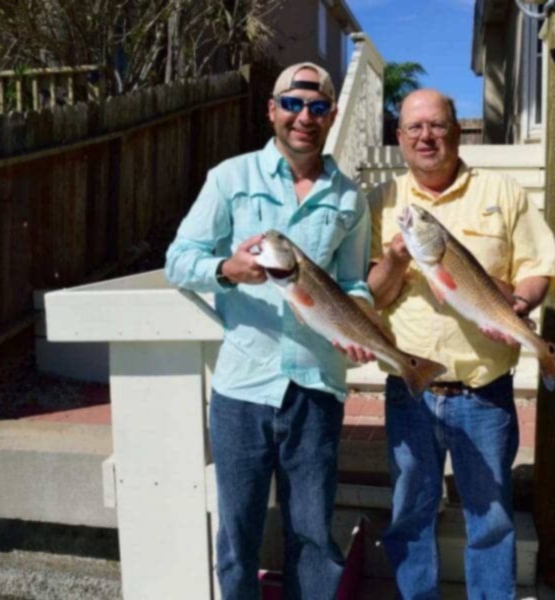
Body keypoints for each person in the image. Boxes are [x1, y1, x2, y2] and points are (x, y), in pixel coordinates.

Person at [165, 62, 373, 600]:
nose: (305, 117)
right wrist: (226, 271)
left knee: (312, 535)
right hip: (241, 389)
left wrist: (359, 323)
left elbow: (353, 281)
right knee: (238, 538)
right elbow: (179, 260)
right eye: (294, 104)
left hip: (317, 386)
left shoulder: (350, 198)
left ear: (329, 117)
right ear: (272, 110)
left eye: (319, 106)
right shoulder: (230, 178)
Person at [367, 89, 555, 599]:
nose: (426, 136)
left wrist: (520, 304)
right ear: (399, 138)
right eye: (414, 128)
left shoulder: (503, 192)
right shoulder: (383, 202)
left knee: (493, 518)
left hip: (484, 390)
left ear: (459, 133)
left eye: (436, 126)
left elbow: (538, 267)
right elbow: (370, 296)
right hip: (410, 390)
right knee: (410, 512)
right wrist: (394, 260)